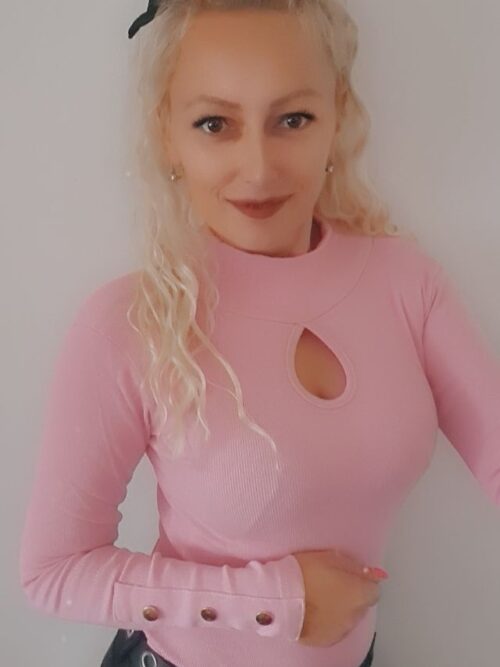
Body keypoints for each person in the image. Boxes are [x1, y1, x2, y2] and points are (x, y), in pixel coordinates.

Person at [18, 1, 500, 666]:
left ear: (337, 115)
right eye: (214, 123)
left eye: (292, 119)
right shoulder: (130, 322)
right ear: (167, 133)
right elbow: (53, 571)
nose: (258, 167)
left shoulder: (406, 282)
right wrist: (274, 601)